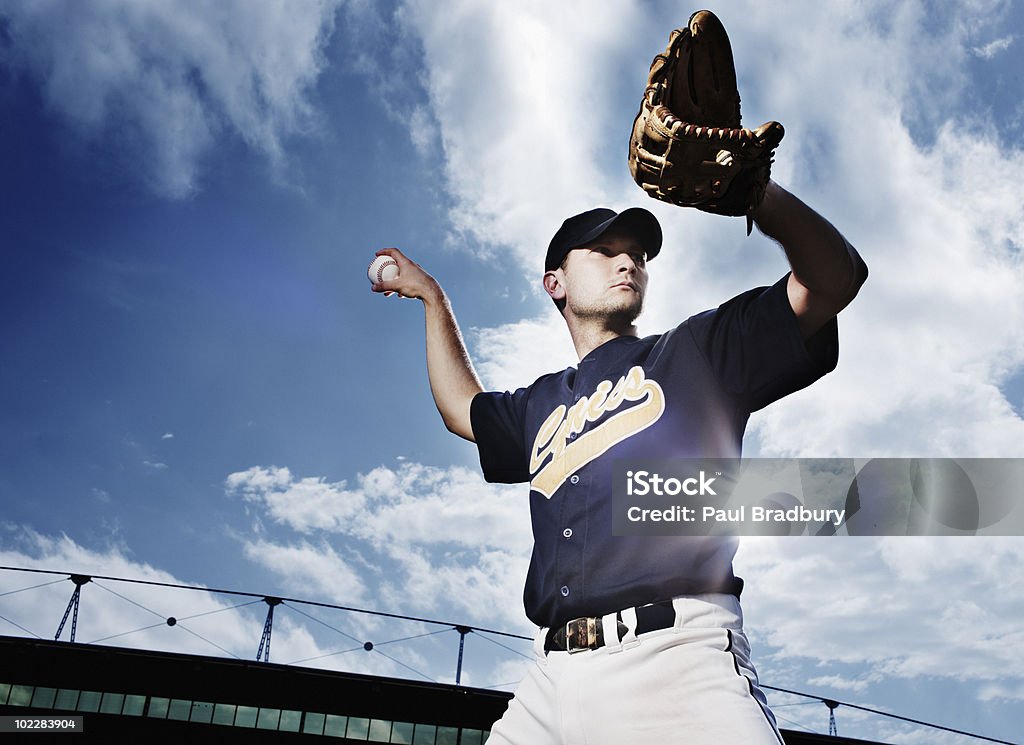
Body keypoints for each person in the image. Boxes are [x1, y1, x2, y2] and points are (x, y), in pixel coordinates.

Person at [371, 179, 867, 744]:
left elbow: (833, 280)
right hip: (550, 679)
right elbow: (463, 410)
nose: (627, 261)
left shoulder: (695, 352)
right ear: (554, 283)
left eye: (637, 254)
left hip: (677, 663)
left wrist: (757, 194)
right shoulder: (541, 404)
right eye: (604, 251)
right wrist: (432, 297)